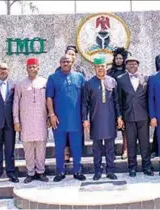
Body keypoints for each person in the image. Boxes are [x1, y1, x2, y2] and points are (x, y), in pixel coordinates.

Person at [47, 54, 86, 182]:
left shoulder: (79, 77)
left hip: (76, 120)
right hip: (59, 121)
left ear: (72, 63)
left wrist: (85, 118)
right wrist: (51, 115)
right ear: (60, 63)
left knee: (76, 147)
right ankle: (60, 172)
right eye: (63, 61)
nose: (65, 63)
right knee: (59, 147)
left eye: (68, 61)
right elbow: (49, 98)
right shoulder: (53, 78)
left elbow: (85, 100)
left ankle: (78, 171)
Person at [82, 56, 122, 181]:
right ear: (94, 68)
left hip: (110, 119)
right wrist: (85, 119)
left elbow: (117, 101)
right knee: (97, 148)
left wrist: (119, 117)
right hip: (95, 120)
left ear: (106, 67)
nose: (101, 69)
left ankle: (110, 170)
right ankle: (97, 171)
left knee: (110, 147)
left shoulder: (112, 81)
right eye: (98, 66)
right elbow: (85, 103)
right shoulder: (89, 83)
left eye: (103, 66)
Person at [13, 57, 49, 183]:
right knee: (28, 148)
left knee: (41, 147)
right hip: (26, 122)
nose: (32, 69)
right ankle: (30, 172)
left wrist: (50, 116)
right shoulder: (20, 84)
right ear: (26, 69)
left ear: (38, 68)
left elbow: (49, 102)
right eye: (30, 67)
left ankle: (40, 172)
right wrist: (16, 121)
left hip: (41, 120)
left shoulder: (45, 82)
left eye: (34, 67)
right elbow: (16, 103)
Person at [116, 56, 154, 177]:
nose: (132, 66)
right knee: (131, 143)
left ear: (138, 65)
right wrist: (119, 116)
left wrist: (151, 116)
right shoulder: (120, 79)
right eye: (129, 64)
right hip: (128, 116)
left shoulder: (147, 78)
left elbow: (150, 98)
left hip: (143, 116)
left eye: (134, 64)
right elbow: (118, 100)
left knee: (145, 143)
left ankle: (146, 166)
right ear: (126, 66)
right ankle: (132, 167)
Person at [60, 46, 85, 163]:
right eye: (68, 54)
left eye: (73, 54)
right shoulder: (58, 70)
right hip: (64, 109)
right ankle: (66, 153)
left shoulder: (81, 71)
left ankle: (77, 156)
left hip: (77, 107)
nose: (71, 56)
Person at [107, 47, 130, 160]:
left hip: (125, 103)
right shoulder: (110, 72)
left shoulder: (127, 72)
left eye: (121, 58)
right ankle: (111, 151)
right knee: (113, 128)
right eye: (117, 58)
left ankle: (125, 149)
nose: (119, 60)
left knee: (125, 129)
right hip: (112, 103)